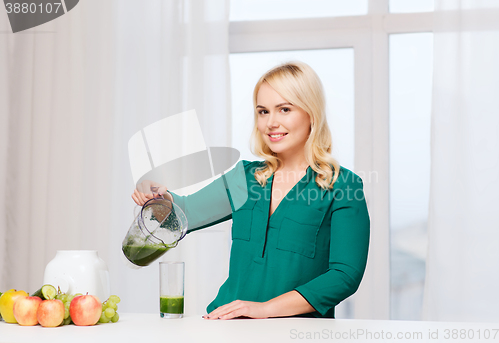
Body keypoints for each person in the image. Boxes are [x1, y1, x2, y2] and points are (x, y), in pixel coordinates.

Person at [132, 61, 370, 320]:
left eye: (284, 109)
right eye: (263, 111)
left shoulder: (344, 186)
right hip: (228, 327)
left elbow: (344, 276)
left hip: (297, 333)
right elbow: (184, 212)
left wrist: (265, 309)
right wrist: (157, 196)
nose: (271, 122)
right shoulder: (244, 178)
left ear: (311, 113)